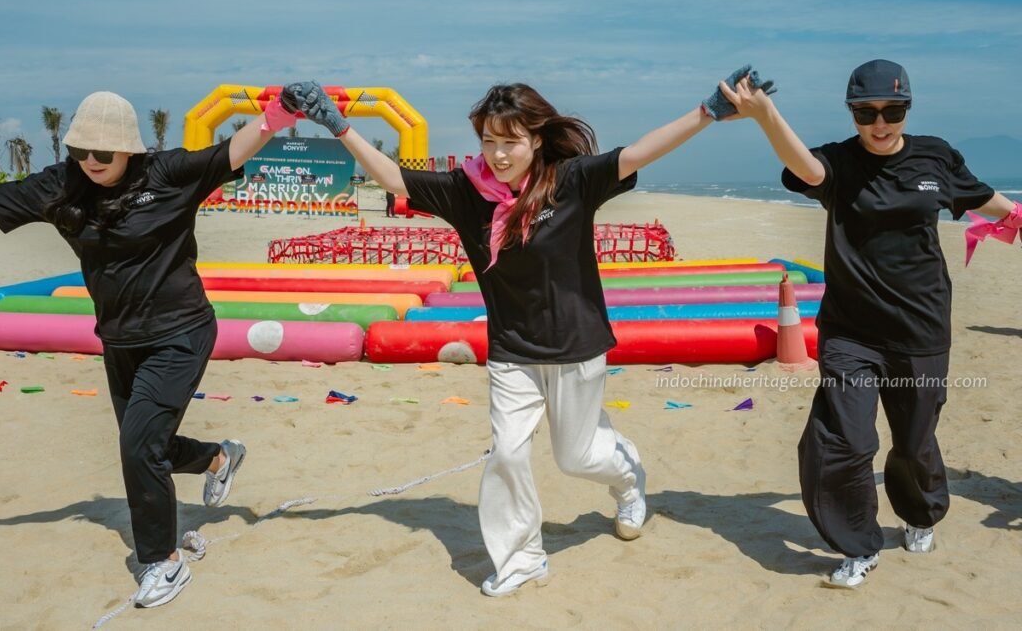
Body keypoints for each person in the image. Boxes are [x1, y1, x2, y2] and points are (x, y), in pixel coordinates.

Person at [282, 72, 766, 595]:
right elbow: (396, 180)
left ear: (536, 139)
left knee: (577, 458)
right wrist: (337, 124)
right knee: (508, 454)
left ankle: (629, 478)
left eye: (510, 141)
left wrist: (707, 111)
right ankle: (522, 559)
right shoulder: (466, 192)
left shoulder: (572, 180)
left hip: (576, 346)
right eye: (488, 141)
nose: (498, 154)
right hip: (511, 352)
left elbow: (638, 153)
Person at [721, 59, 1021, 588]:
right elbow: (805, 170)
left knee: (915, 440)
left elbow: (985, 200)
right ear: (851, 112)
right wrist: (766, 115)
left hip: (922, 329)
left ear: (908, 108)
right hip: (850, 332)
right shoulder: (837, 163)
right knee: (845, 441)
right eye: (866, 113)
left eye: (892, 111)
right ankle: (858, 545)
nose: (880, 123)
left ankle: (920, 513)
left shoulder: (935, 155)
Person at [0, 89, 303, 607]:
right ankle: (218, 458)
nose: (90, 161)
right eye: (80, 150)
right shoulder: (62, 184)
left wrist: (281, 113)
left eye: (102, 152)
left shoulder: (166, 174)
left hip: (180, 333)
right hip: (119, 340)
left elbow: (230, 151)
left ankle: (164, 561)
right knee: (145, 445)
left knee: (139, 447)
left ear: (127, 148)